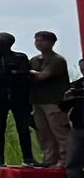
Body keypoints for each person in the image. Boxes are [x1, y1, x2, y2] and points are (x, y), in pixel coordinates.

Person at [0, 32, 38, 168]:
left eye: (4, 43)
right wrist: (7, 71)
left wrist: (12, 73)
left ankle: (28, 158)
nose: (1, 45)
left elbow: (25, 75)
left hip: (20, 98)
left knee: (23, 128)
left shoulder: (20, 57)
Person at [30, 31, 73, 168]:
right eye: (36, 40)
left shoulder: (57, 60)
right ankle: (49, 159)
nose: (38, 43)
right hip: (38, 101)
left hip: (54, 101)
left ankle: (65, 160)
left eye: (42, 40)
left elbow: (43, 76)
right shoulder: (35, 60)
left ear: (52, 43)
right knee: (44, 133)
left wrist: (27, 71)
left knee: (60, 132)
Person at [62, 59, 84, 178]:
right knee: (73, 161)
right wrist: (67, 98)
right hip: (78, 126)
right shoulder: (76, 85)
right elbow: (62, 107)